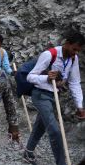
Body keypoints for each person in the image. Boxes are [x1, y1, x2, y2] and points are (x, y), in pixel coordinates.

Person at [23, 31, 85, 165]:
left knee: (41, 126)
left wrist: (79, 106)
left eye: (78, 51)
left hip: (54, 96)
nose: (75, 53)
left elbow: (74, 83)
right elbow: (30, 77)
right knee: (55, 131)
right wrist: (46, 77)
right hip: (40, 95)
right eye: (74, 49)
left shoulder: (73, 58)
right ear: (67, 43)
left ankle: (28, 152)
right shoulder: (50, 54)